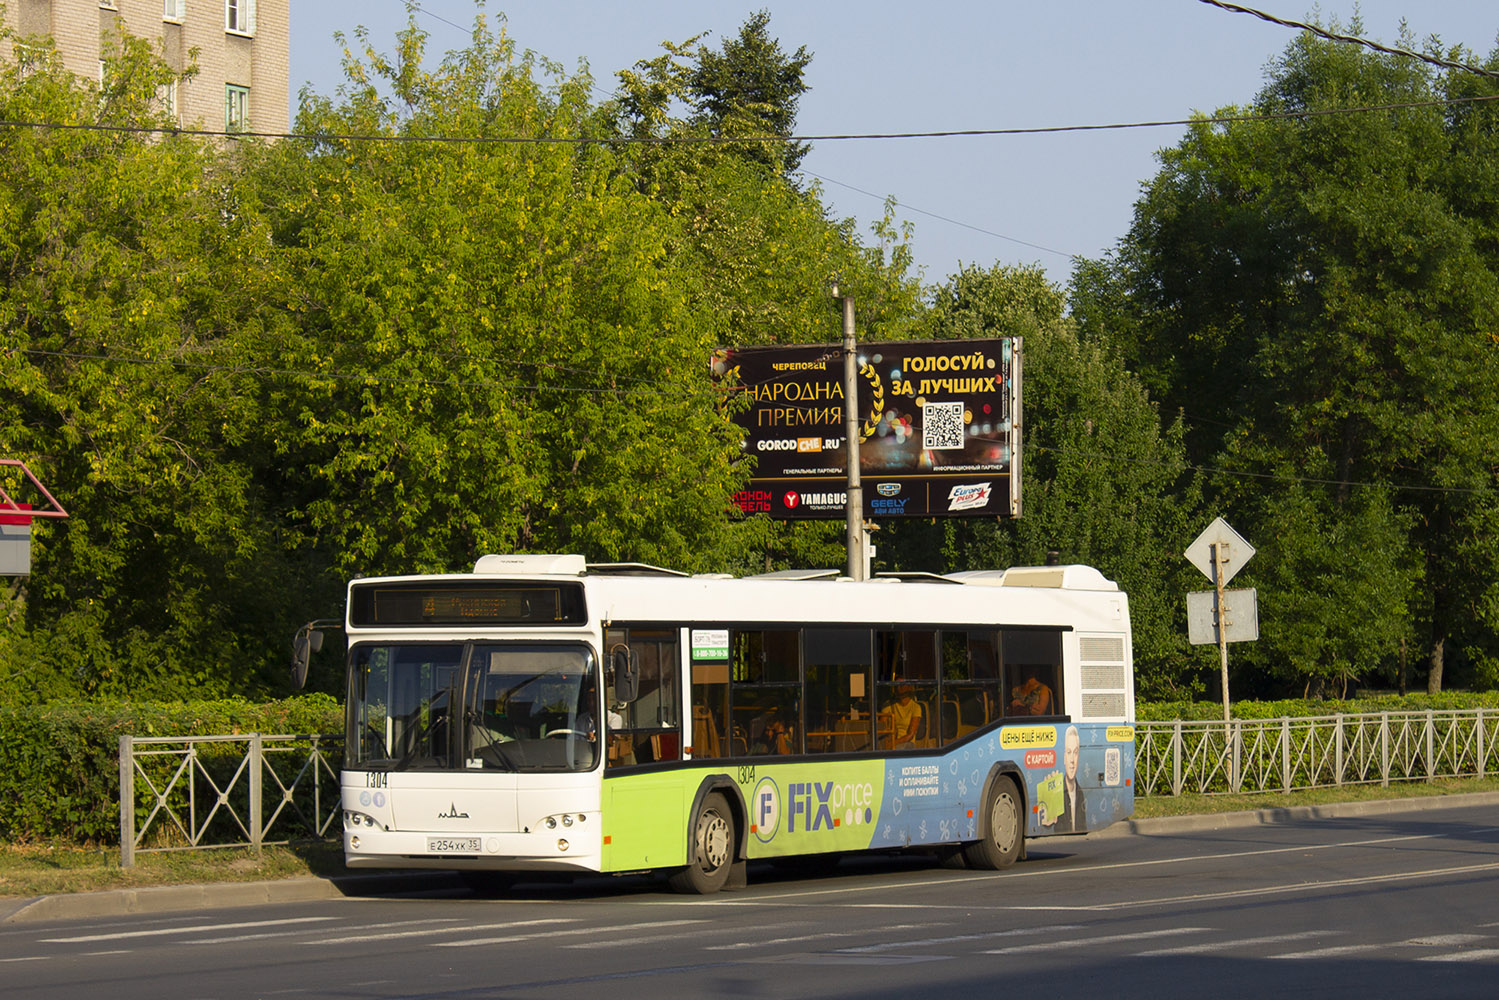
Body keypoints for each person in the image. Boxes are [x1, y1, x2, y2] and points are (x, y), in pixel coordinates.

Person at [1048, 726, 1087, 833]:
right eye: (1069, 752)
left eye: (1075, 753)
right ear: (1064, 758)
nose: (1072, 760)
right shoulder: (1056, 791)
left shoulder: (1080, 794)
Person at [888, 684, 922, 749]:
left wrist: (893, 743)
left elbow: (910, 735)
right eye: (896, 685)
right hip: (889, 741)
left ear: (909, 687)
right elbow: (881, 727)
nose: (898, 687)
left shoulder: (916, 707)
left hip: (907, 743)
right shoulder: (888, 705)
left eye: (902, 685)